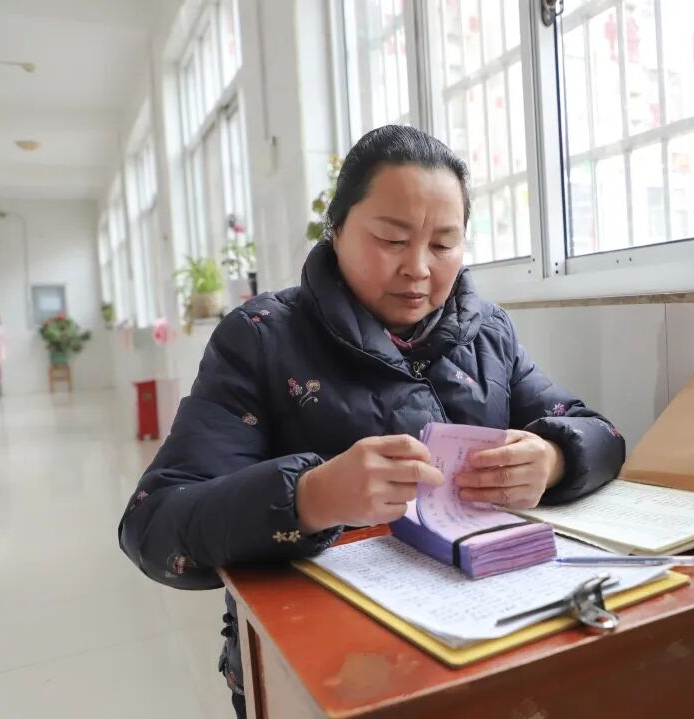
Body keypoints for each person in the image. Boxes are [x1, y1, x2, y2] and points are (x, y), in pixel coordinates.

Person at [117, 125, 625, 717]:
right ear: (335, 229)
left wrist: (553, 458)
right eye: (392, 240)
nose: (419, 269)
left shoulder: (487, 332)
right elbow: (154, 527)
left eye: (443, 245)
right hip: (322, 668)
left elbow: (600, 434)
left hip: (486, 638)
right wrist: (309, 497)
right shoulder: (261, 338)